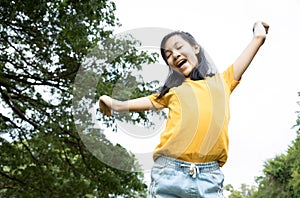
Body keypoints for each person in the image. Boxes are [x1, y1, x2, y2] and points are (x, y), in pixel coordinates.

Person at [99, 21, 269, 198]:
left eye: (179, 47)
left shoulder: (223, 81)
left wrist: (258, 30)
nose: (175, 54)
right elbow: (143, 103)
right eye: (168, 55)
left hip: (209, 178)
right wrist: (111, 102)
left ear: (196, 48)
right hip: (169, 173)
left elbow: (258, 39)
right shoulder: (173, 92)